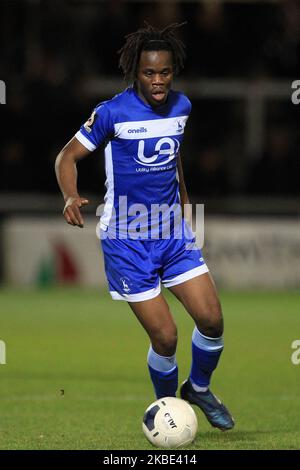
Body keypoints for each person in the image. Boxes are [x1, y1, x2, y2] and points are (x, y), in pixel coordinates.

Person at [55, 23, 234, 431]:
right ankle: (168, 410)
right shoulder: (112, 113)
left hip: (172, 234)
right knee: (166, 338)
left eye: (165, 73)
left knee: (212, 320)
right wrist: (69, 194)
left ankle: (199, 389)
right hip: (127, 242)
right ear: (136, 72)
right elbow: (66, 157)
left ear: (174, 72)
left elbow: (174, 160)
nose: (158, 81)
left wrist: (185, 204)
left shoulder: (182, 106)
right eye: (149, 73)